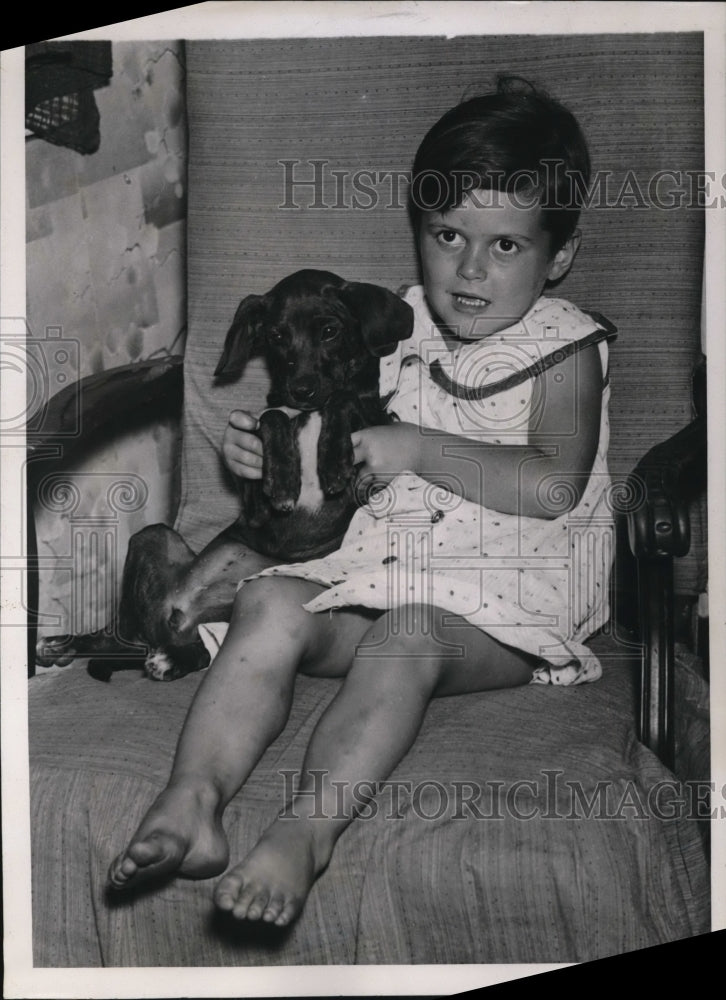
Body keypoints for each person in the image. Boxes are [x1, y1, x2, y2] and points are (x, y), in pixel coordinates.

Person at [108, 77, 616, 928]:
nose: (467, 270)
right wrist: (255, 447)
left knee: (402, 637)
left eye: (505, 247)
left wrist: (415, 449)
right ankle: (192, 801)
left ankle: (305, 834)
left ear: (557, 255)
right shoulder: (401, 323)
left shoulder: (565, 348)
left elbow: (553, 481)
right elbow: (323, 419)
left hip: (503, 608)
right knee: (267, 600)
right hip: (380, 569)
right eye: (448, 234)